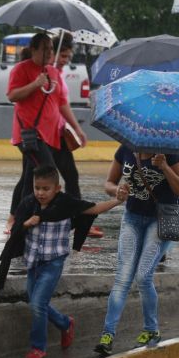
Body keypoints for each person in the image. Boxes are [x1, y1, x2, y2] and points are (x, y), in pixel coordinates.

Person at [8, 164, 124, 358]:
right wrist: (26, 224)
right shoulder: (28, 205)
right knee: (36, 302)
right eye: (37, 188)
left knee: (37, 303)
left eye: (46, 189)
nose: (40, 193)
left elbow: (93, 208)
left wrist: (117, 201)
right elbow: (16, 228)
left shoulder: (65, 204)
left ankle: (38, 347)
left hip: (53, 261)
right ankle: (65, 323)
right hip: (33, 261)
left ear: (57, 188)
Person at [94, 147, 179, 356]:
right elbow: (109, 183)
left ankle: (151, 330)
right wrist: (116, 191)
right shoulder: (126, 150)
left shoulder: (169, 153)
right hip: (132, 218)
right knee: (122, 278)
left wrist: (164, 166)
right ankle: (107, 335)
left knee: (143, 276)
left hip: (160, 220)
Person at [4, 33, 87, 234]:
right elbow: (12, 95)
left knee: (31, 176)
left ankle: (20, 218)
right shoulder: (21, 69)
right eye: (45, 49)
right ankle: (31, 219)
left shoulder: (53, 72)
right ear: (33, 50)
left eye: (51, 49)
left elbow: (61, 103)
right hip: (30, 135)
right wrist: (35, 84)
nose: (50, 53)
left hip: (51, 135)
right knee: (47, 171)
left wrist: (77, 128)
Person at [49, 35, 101, 238]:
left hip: (58, 133)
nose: (65, 60)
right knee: (31, 179)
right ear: (52, 53)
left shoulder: (58, 75)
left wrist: (77, 130)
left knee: (71, 176)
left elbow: (63, 106)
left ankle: (79, 219)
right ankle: (18, 219)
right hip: (43, 135)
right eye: (62, 55)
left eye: (68, 56)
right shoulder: (48, 75)